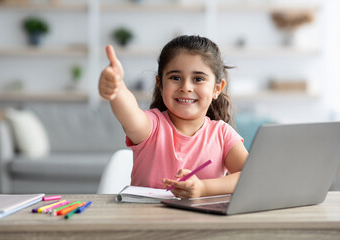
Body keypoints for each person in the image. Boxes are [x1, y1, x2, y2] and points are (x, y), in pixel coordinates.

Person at [98, 35, 248, 199]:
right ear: (160, 84)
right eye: (175, 78)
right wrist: (117, 88)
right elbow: (129, 111)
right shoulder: (151, 127)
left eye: (198, 79)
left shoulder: (222, 134)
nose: (186, 87)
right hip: (146, 222)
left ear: (217, 88)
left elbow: (251, 176)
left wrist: (204, 188)